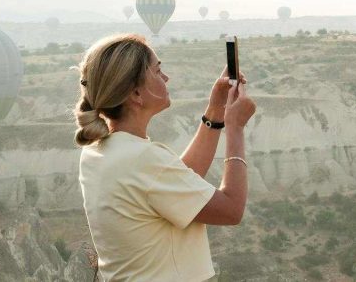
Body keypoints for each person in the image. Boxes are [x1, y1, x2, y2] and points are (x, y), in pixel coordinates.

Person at [74, 33, 256, 281]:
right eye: (157, 71)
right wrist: (235, 129)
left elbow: (178, 181)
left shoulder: (99, 151)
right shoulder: (142, 159)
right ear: (136, 94)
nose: (166, 77)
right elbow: (231, 210)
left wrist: (216, 111)